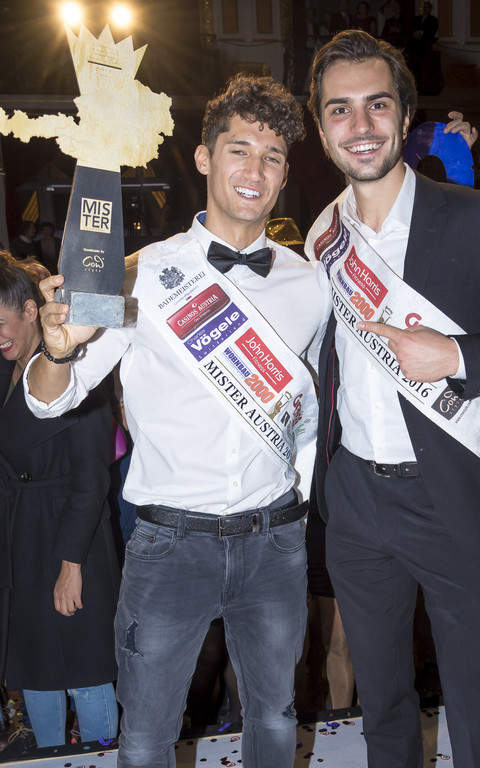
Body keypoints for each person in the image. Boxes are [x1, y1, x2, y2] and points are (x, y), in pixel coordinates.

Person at [23, 74, 328, 768]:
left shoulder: (309, 284)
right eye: (238, 149)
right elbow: (50, 400)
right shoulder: (137, 275)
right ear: (203, 157)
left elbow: (309, 410)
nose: (255, 170)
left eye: (273, 157)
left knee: (275, 719)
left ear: (285, 174)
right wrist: (56, 349)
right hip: (169, 548)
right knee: (145, 739)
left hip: (275, 542)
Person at [306, 29, 480, 768]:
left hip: (453, 496)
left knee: (474, 702)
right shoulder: (321, 240)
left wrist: (459, 356)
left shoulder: (469, 217)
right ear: (321, 129)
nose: (361, 125)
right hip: (354, 500)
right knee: (381, 704)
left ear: (406, 116)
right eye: (339, 110)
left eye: (377, 105)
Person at [0, 253, 120, 748]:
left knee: (86, 670)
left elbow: (91, 478)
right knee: (36, 670)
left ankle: (100, 756)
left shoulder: (79, 367)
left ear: (31, 311)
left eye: (1, 323)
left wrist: (72, 565)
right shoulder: (4, 372)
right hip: (19, 539)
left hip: (73, 538)